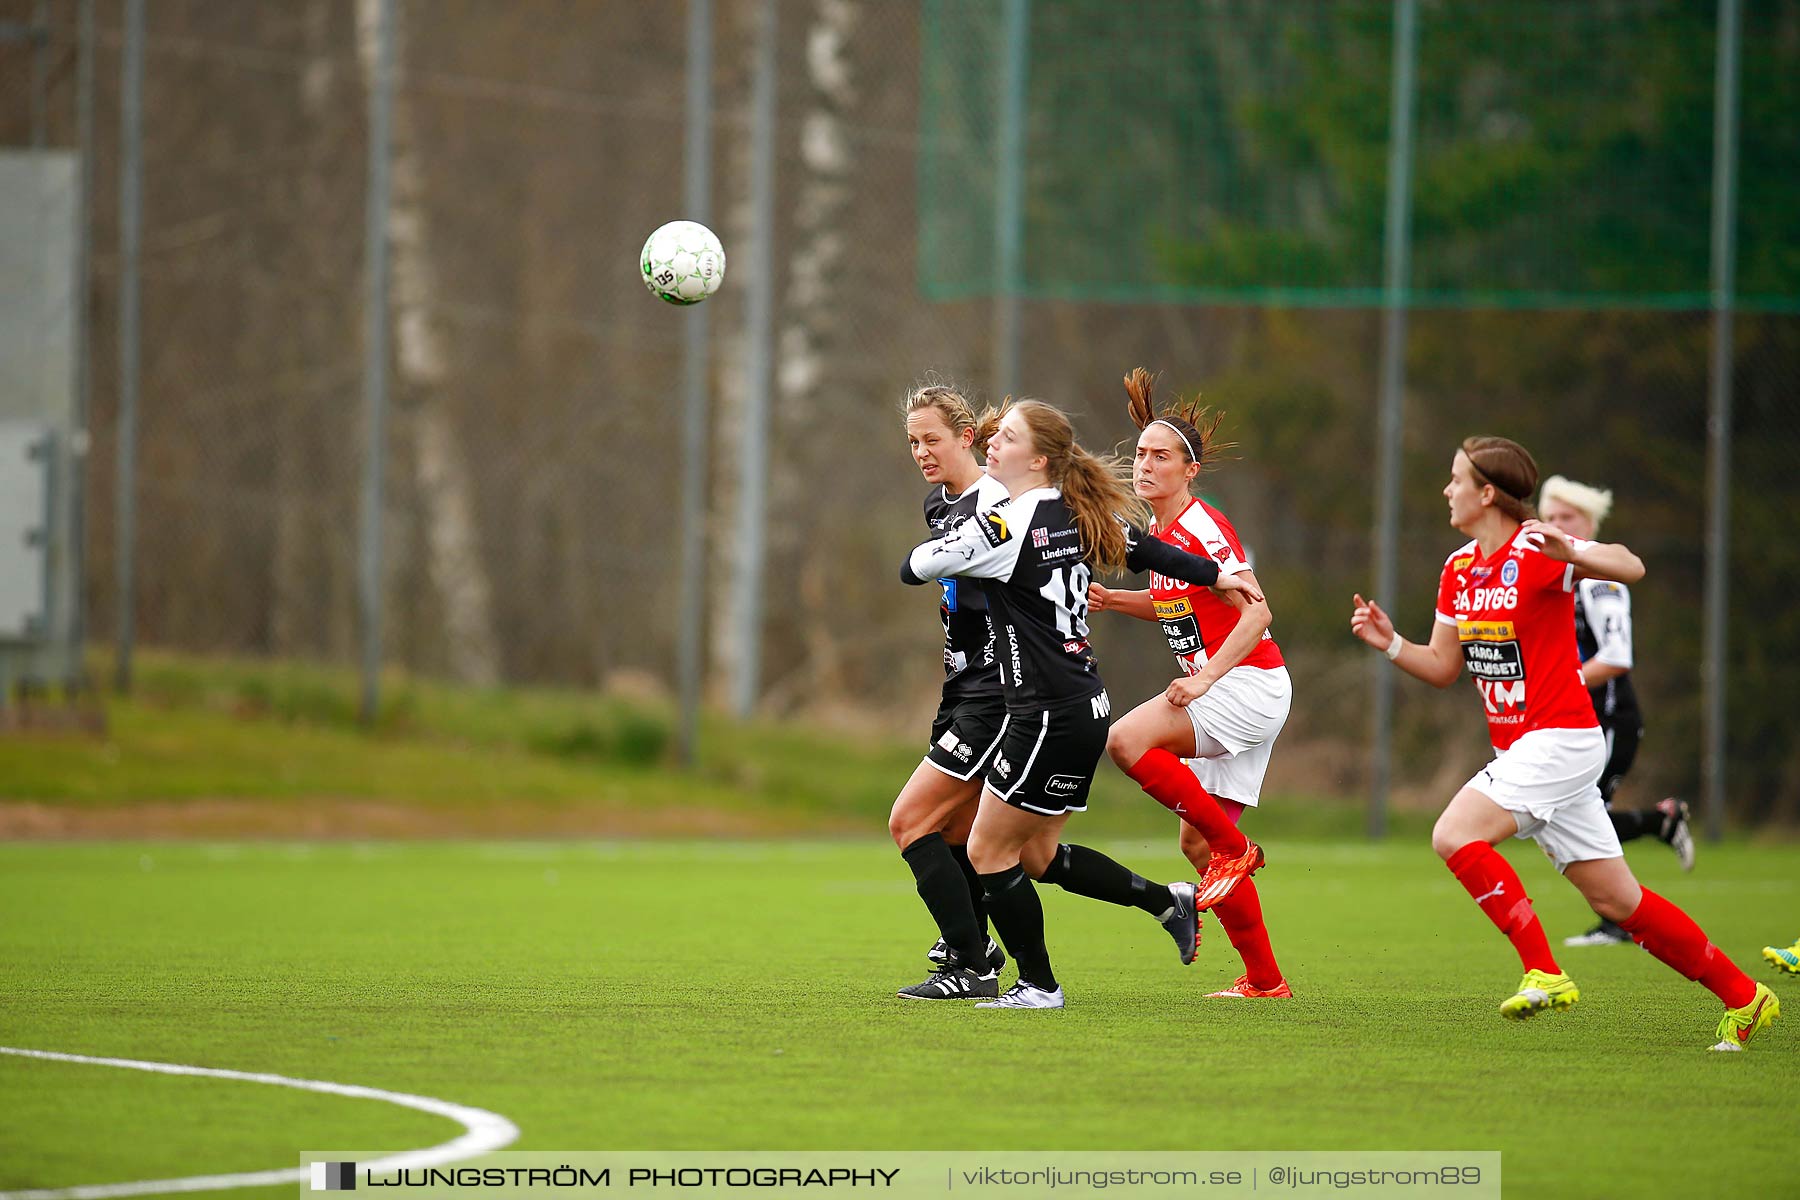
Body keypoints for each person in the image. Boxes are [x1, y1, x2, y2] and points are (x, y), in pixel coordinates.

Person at [1349, 436, 1777, 1051]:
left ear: (1487, 492)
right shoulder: (1459, 567)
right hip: (1524, 750)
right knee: (1618, 899)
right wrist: (1391, 643)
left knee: (1453, 833)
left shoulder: (1536, 548)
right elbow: (1444, 666)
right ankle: (1746, 997)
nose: (1447, 490)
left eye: (1456, 480)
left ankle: (1544, 972)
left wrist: (1575, 549)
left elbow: (1631, 566)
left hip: (1561, 738)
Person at [901, 398, 1262, 1008]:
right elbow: (1144, 549)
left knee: (988, 849)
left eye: (1008, 437)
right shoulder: (1071, 510)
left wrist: (970, 536)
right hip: (1072, 704)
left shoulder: (1007, 527)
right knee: (1035, 854)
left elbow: (914, 566)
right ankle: (1165, 901)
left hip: (1045, 711)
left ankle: (1036, 984)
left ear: (1038, 458)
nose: (994, 444)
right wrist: (1214, 575)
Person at [1087, 369, 1292, 998]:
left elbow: (1257, 611)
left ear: (1190, 469)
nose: (1146, 466)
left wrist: (1204, 677)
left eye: (1162, 457)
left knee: (1125, 741)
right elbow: (1181, 600)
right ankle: (1264, 980)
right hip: (1239, 688)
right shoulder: (1164, 539)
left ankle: (1238, 848)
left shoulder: (1203, 528)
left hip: (1247, 686)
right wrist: (1119, 602)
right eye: (1141, 455)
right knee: (1195, 846)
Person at [1536, 474, 1695, 949]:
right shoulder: (1549, 571)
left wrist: (1559, 680)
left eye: (1568, 518)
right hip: (1567, 717)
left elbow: (1616, 656)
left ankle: (1620, 917)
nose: (1557, 525)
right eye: (1550, 517)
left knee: (1585, 819)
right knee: (1568, 818)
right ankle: (1659, 825)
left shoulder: (1600, 575)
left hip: (1608, 719)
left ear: (1589, 523)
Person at [890, 386, 1013, 1000]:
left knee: (910, 821)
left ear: (967, 437)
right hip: (962, 684)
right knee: (960, 834)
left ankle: (971, 961)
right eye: (913, 442)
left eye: (932, 439)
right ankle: (975, 952)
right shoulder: (940, 503)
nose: (921, 451)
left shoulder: (998, 502)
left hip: (997, 689)